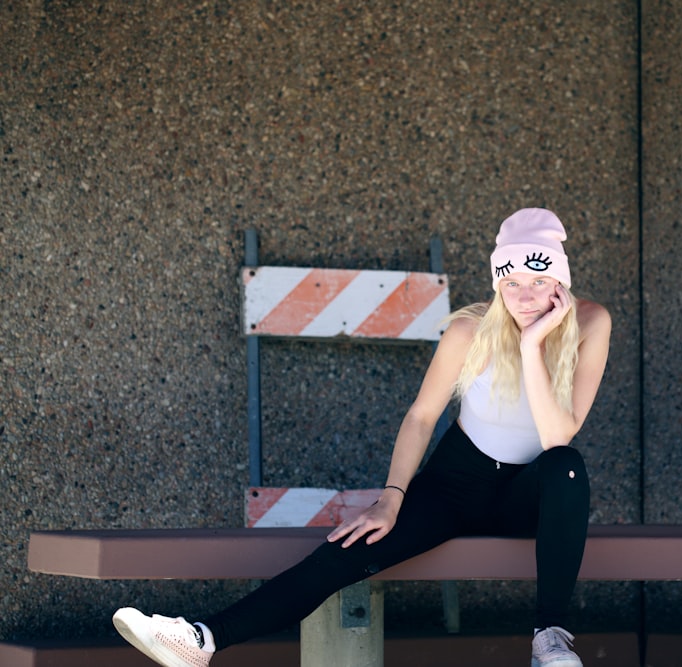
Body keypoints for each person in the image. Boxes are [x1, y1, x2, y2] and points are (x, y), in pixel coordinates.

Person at [112, 207, 612, 667]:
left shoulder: (591, 323)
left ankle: (548, 637)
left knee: (566, 465)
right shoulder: (471, 330)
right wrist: (391, 499)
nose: (525, 297)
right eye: (513, 283)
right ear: (497, 283)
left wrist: (531, 346)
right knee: (348, 549)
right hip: (457, 482)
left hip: (533, 495)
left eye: (540, 281)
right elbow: (421, 416)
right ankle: (203, 639)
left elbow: (557, 434)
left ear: (561, 285)